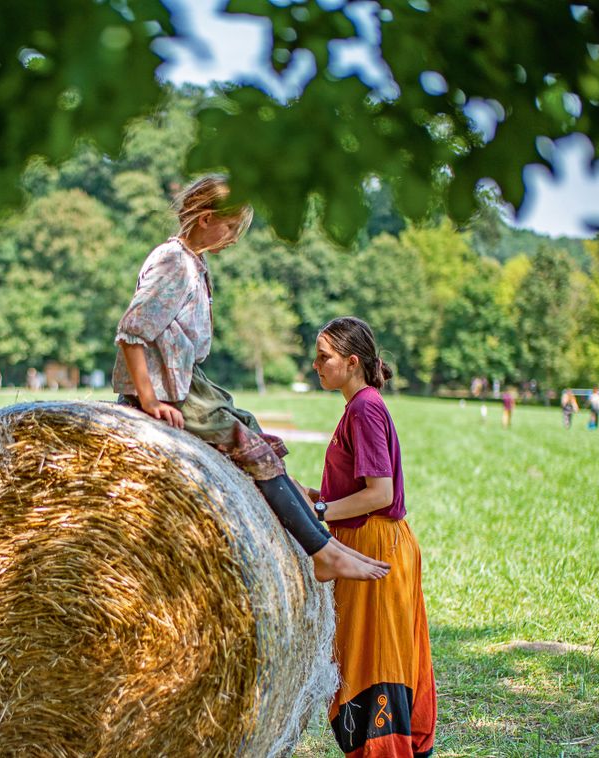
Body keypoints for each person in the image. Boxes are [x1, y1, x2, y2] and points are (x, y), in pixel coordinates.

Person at [114, 174, 388, 583]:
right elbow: (132, 332)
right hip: (170, 391)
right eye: (231, 227)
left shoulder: (193, 262)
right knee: (250, 447)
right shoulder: (173, 263)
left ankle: (320, 542)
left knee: (254, 434)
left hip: (188, 382)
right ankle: (321, 551)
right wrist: (150, 402)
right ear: (206, 218)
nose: (235, 238)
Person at [310, 317, 436, 757]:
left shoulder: (364, 407)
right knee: (365, 658)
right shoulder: (361, 406)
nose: (316, 365)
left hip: (377, 545)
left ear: (352, 361)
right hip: (370, 541)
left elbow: (379, 493)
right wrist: (316, 496)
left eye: (324, 357)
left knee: (374, 662)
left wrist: (322, 510)